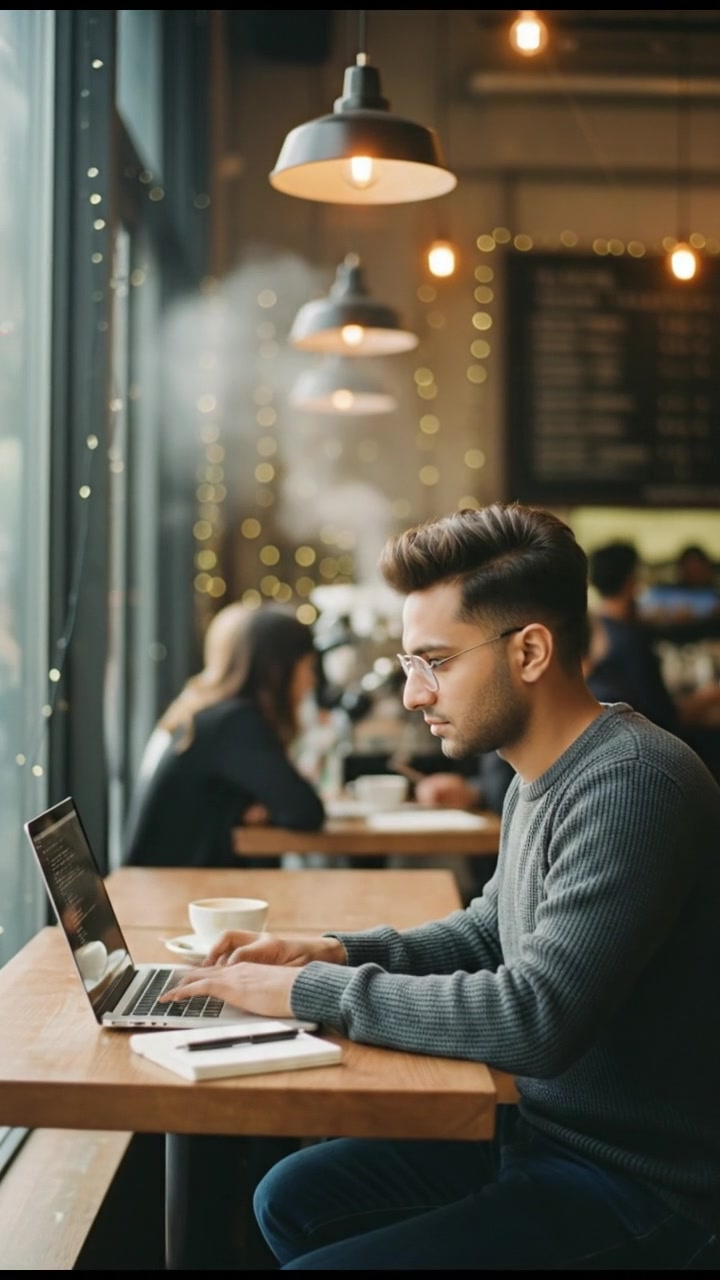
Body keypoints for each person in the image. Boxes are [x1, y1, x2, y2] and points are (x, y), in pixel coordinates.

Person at [159, 502, 720, 1271]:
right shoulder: (540, 775)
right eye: (409, 666)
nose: (415, 694)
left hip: (642, 1189)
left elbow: (535, 1017)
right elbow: (491, 929)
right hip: (541, 1140)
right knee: (288, 1196)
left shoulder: (635, 781)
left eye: (437, 662)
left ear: (529, 651)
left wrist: (308, 991)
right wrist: (319, 949)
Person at [123, 602, 325, 867]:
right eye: (308, 667)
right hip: (169, 890)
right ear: (280, 671)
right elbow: (305, 811)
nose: (311, 681)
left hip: (171, 881)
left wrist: (263, 804)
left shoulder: (212, 714)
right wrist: (271, 804)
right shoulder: (236, 723)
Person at [587, 540, 720, 734]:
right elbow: (665, 718)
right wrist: (711, 696)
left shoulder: (593, 628)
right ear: (632, 581)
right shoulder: (633, 642)